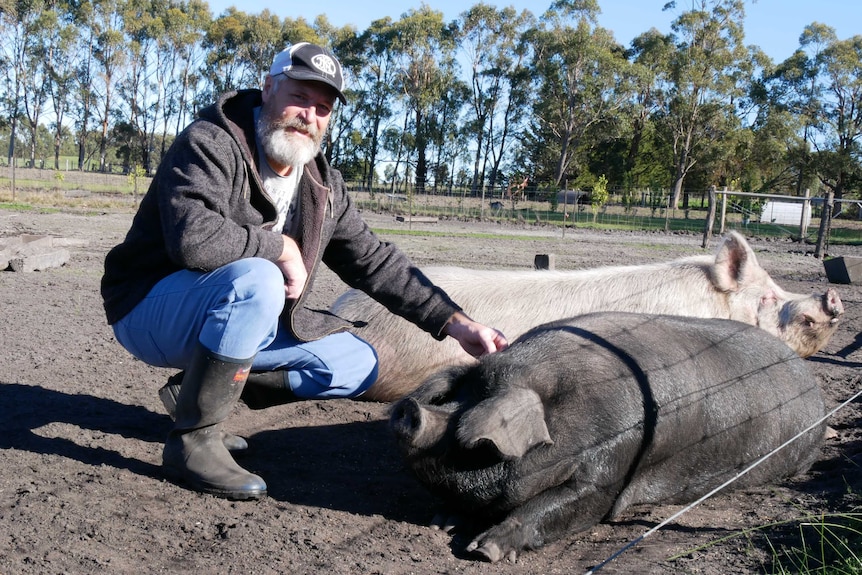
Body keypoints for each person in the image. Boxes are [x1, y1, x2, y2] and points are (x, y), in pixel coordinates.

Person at [100, 42, 508, 501]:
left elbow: (373, 260)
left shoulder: (322, 184)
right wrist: (280, 247)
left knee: (360, 361)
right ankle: (193, 441)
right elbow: (192, 236)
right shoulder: (210, 141)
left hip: (239, 320)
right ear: (269, 87)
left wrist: (455, 323)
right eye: (299, 97)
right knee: (258, 277)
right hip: (150, 308)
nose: (308, 115)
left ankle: (195, 394)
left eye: (322, 107)